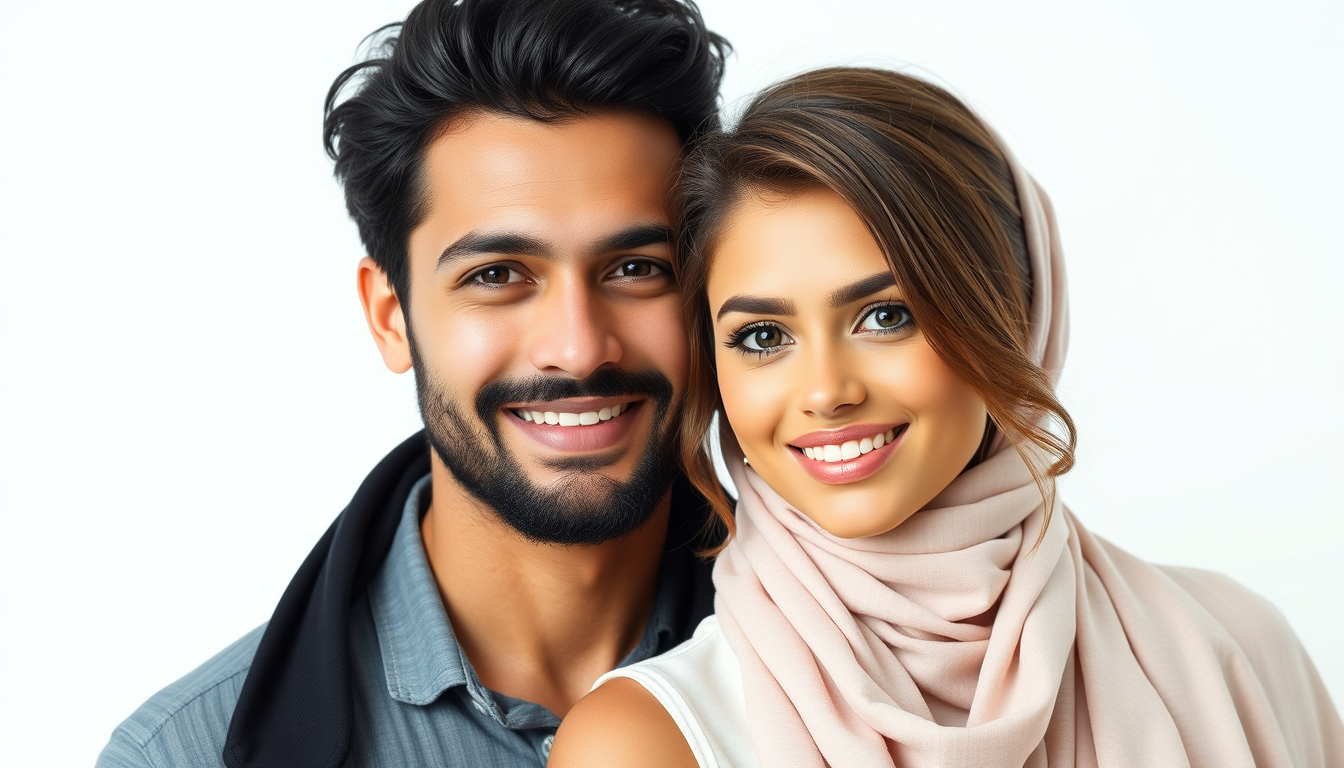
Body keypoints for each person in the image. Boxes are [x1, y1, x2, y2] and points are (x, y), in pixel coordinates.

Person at [548, 68, 1344, 768]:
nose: (826, 391)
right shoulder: (645, 743)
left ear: (1017, 314)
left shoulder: (1234, 645)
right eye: (763, 336)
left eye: (887, 316)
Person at [95, 1, 732, 767]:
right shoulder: (180, 756)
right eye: (498, 275)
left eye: (637, 269)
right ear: (391, 316)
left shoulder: (878, 666)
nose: (578, 347)